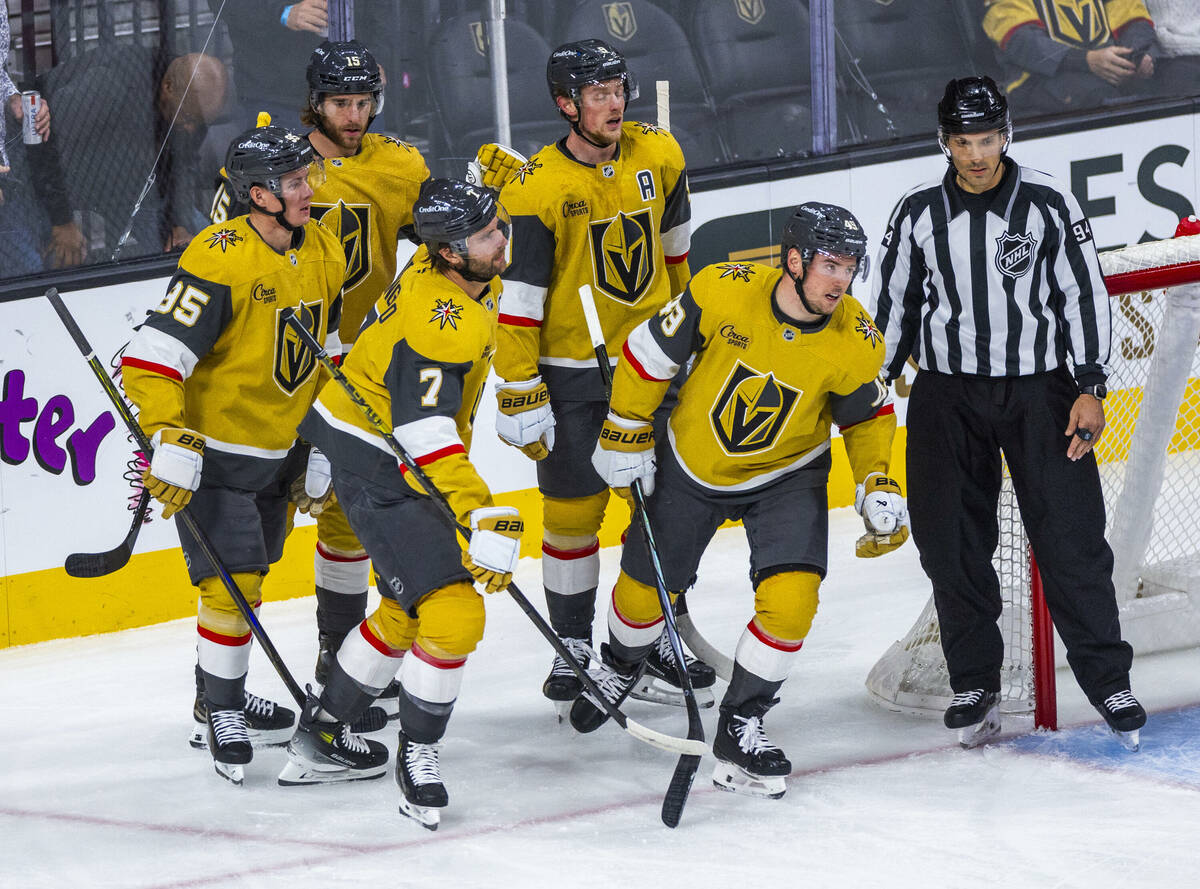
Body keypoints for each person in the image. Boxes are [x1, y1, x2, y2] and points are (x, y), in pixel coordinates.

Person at [582, 202, 905, 799]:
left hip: (788, 475)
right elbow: (649, 355)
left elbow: (868, 416)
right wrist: (624, 426)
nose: (841, 279)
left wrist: (877, 479)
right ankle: (622, 664)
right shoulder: (722, 290)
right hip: (691, 460)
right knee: (642, 593)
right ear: (793, 260)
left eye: (851, 266)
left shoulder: (856, 339)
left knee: (792, 602)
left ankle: (741, 721)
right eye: (830, 264)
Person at [869, 76, 1145, 749]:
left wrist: (1091, 387)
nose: (976, 154)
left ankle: (1108, 679)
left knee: (1072, 538)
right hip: (945, 397)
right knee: (951, 546)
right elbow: (893, 308)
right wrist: (873, 385)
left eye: (987, 139)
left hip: (1039, 393)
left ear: (1006, 135)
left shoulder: (1049, 202)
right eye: (963, 141)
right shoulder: (915, 212)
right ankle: (974, 681)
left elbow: (1085, 294)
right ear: (945, 142)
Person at [207, 39, 430, 734]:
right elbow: (226, 261)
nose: (355, 115)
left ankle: (339, 657)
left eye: (364, 103)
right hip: (276, 371)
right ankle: (216, 691)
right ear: (315, 102)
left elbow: (442, 247)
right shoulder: (274, 165)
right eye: (341, 103)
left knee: (346, 520)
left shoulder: (401, 165)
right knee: (248, 542)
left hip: (355, 368)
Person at [281, 178, 516, 830]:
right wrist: (478, 511)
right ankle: (419, 756)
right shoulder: (443, 321)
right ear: (447, 254)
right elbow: (423, 429)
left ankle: (322, 732)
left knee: (401, 608)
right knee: (453, 613)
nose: (502, 237)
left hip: (371, 445)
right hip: (386, 462)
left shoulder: (450, 262)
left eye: (497, 222)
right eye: (488, 231)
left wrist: (502, 180)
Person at [491, 38, 715, 714]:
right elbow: (520, 298)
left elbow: (677, 261)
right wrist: (518, 384)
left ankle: (655, 629)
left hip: (652, 366)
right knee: (570, 517)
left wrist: (691, 340)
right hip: (572, 376)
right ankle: (573, 644)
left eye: (620, 89)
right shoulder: (537, 185)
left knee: (667, 513)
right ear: (567, 105)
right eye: (597, 94)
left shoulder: (661, 155)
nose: (614, 103)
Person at [121, 121, 346, 783]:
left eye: (307, 177)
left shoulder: (326, 248)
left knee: (259, 570)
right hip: (215, 454)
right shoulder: (218, 257)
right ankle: (221, 710)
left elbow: (323, 355)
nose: (309, 189)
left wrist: (323, 440)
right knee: (233, 584)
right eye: (296, 181)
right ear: (258, 194)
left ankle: (214, 686)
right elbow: (154, 355)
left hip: (279, 449)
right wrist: (168, 434)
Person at [983, 0, 1161, 115]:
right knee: (1102, 98)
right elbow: (1021, 41)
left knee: (1160, 92)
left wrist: (1136, 57)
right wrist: (1087, 60)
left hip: (1106, 74)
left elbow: (1133, 19)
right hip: (1035, 83)